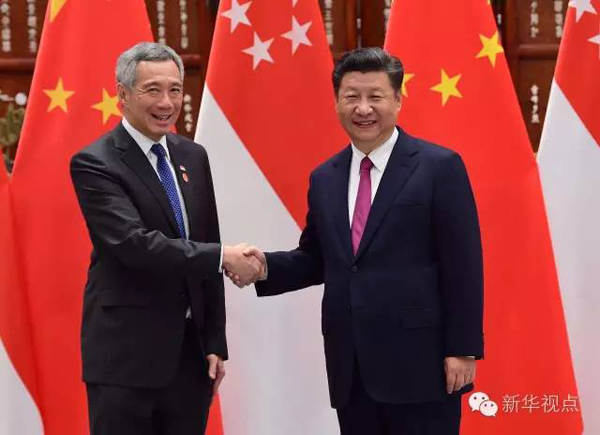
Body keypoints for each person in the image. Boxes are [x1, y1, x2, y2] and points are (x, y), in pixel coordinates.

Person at [233, 47, 484, 434]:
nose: (363, 108)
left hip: (422, 364)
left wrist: (463, 348)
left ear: (397, 100)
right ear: (337, 103)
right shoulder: (325, 177)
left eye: (375, 96)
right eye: (352, 96)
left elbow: (463, 265)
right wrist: (263, 266)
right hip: (352, 367)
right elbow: (318, 258)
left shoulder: (439, 167)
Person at [70, 42, 261, 435]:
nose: (166, 102)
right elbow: (134, 245)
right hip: (126, 359)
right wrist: (223, 256)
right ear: (123, 94)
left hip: (190, 358)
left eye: (175, 89)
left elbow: (207, 239)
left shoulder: (192, 155)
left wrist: (214, 341)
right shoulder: (95, 162)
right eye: (152, 90)